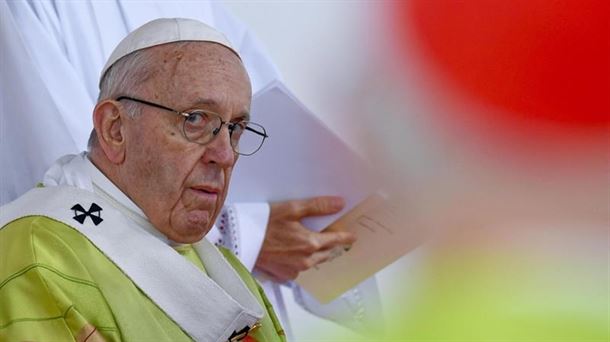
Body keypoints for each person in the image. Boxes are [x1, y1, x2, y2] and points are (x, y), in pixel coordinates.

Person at [0, 0, 382, 338]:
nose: (226, 155)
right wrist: (249, 235)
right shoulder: (38, 259)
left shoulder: (225, 268)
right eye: (195, 120)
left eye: (236, 129)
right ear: (114, 129)